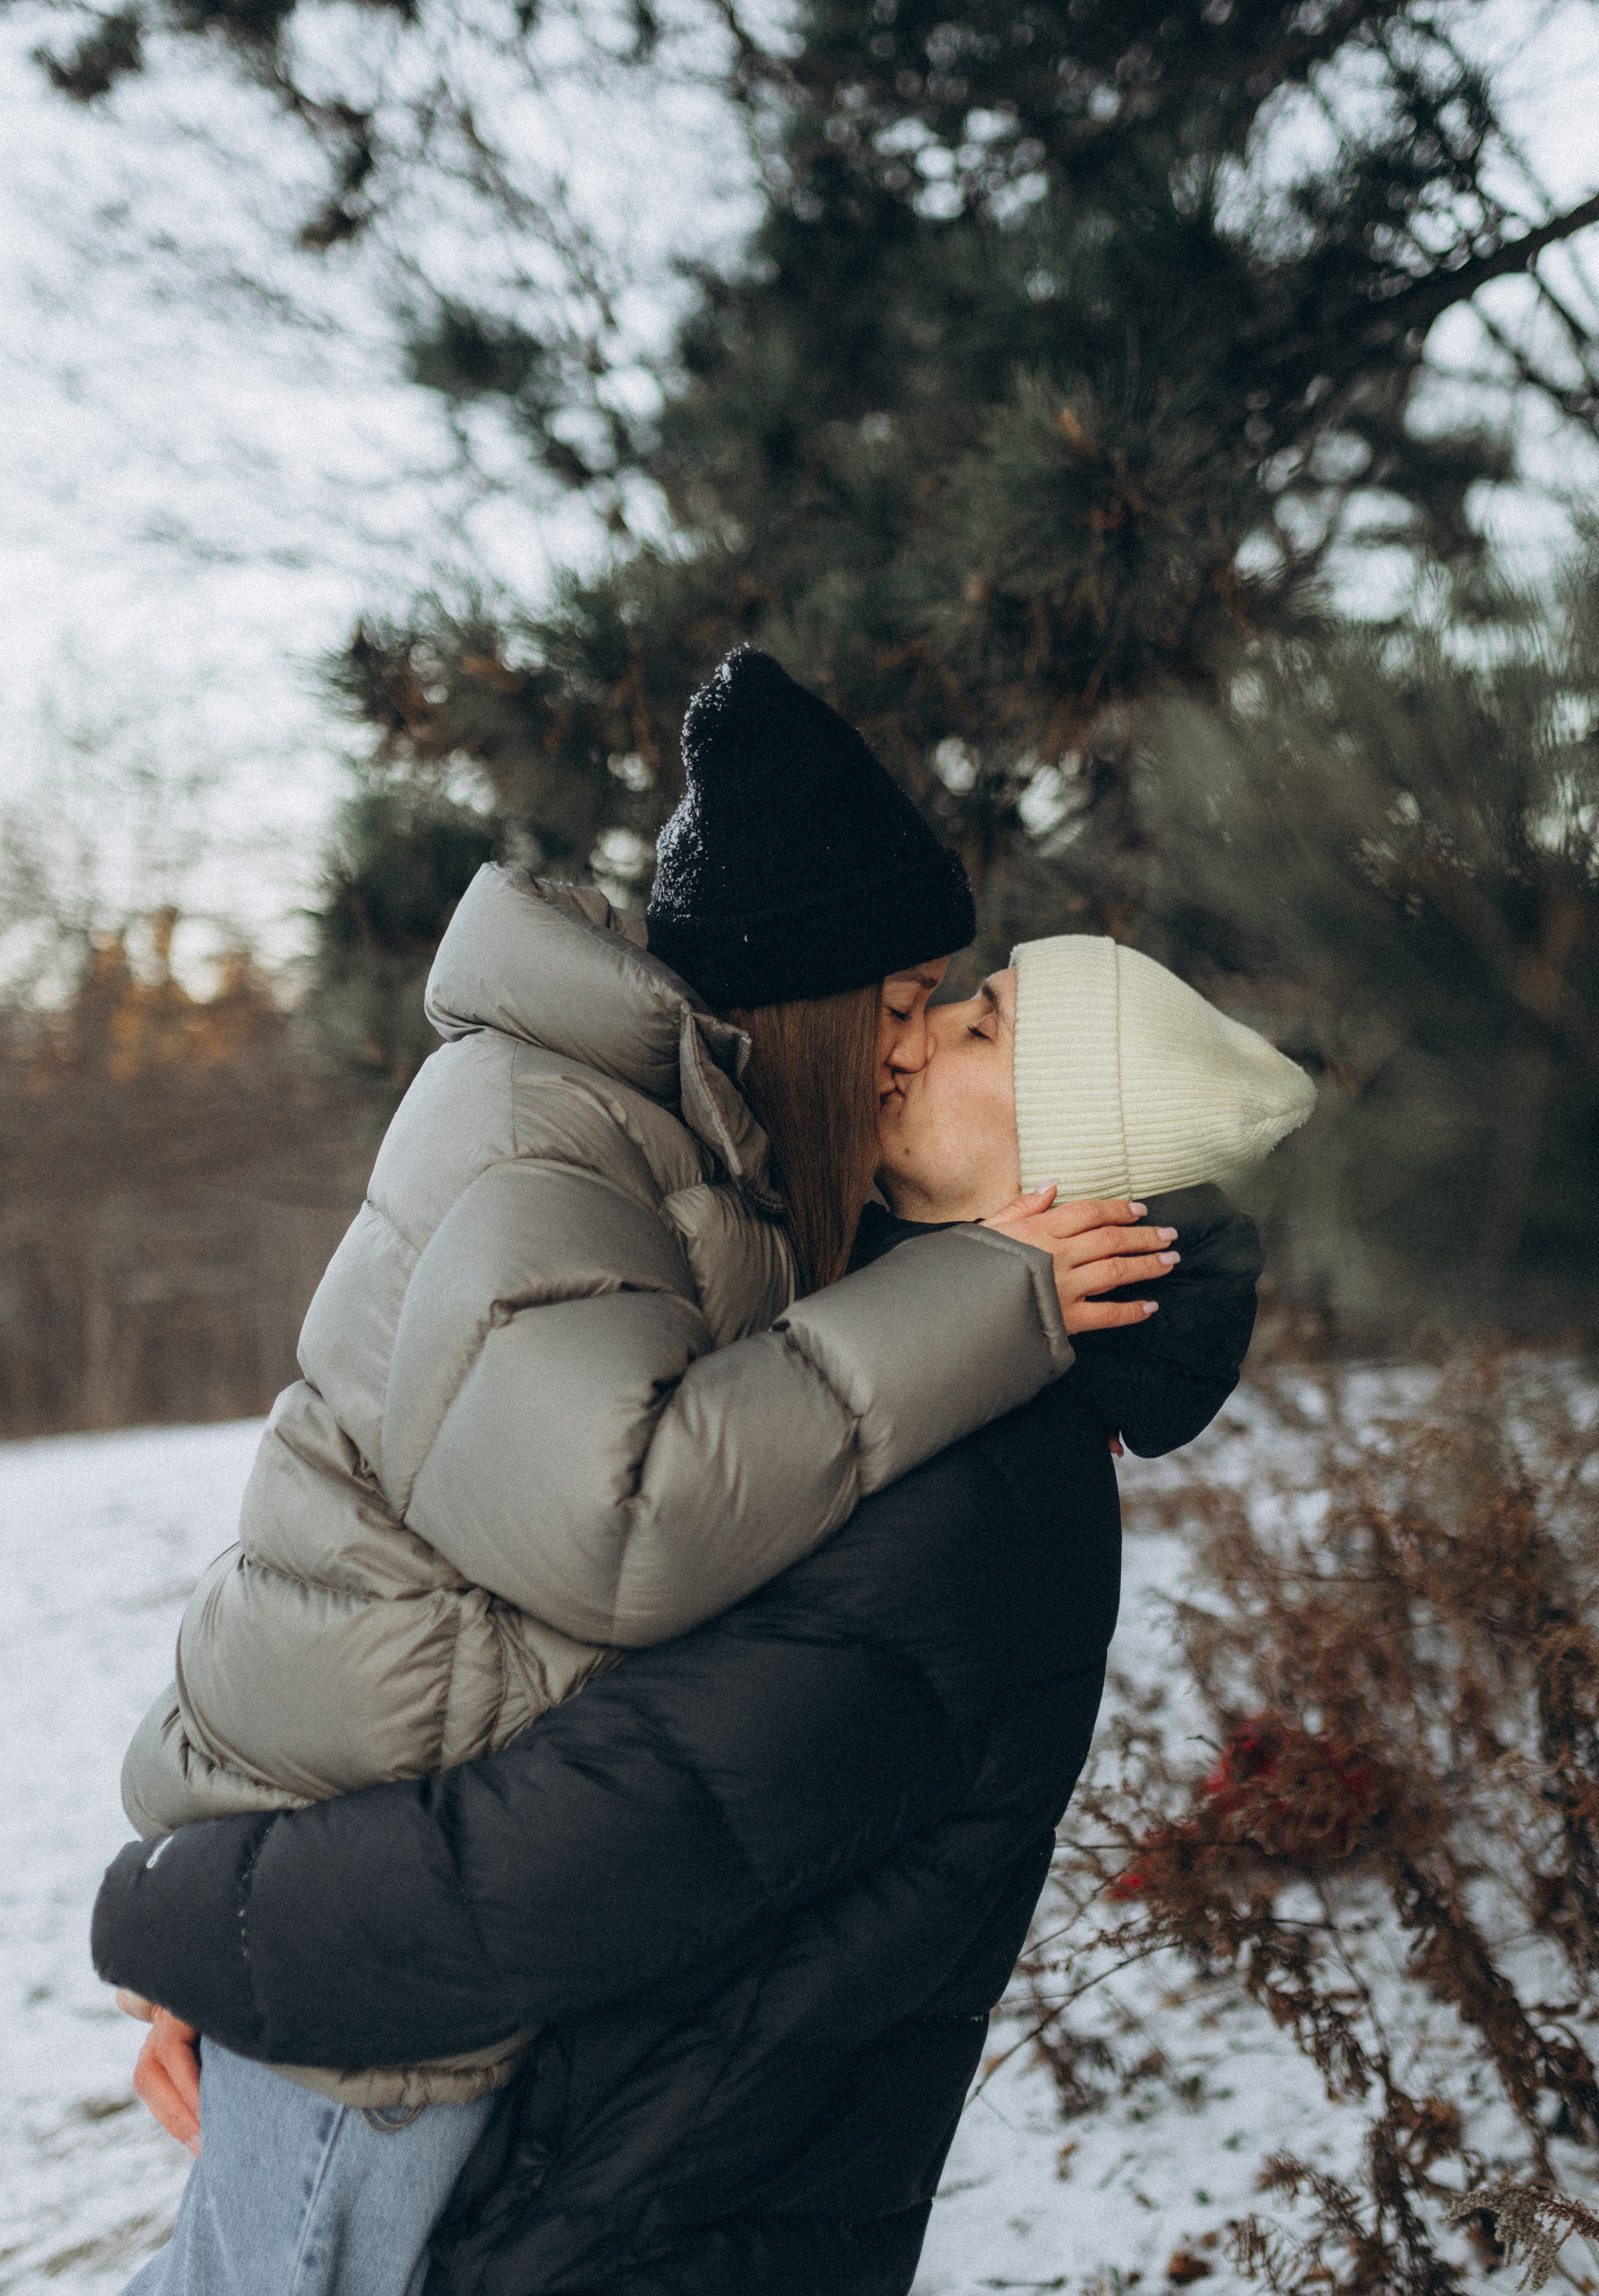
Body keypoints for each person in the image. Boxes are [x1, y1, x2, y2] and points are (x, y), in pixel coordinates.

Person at [94, 932, 1313, 2296]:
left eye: (981, 1028)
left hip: (626, 2236)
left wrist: (177, 1914)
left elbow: (557, 1865)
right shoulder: (905, 1385)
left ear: (1071, 1160)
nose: (911, 1037)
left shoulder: (980, 1510)